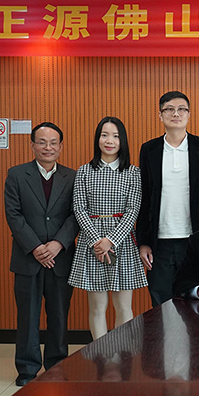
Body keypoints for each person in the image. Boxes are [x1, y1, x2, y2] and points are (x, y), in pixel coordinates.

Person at [4, 122, 79, 386]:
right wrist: (36, 247)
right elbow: (13, 215)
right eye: (42, 142)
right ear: (32, 145)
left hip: (61, 258)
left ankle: (57, 367)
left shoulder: (72, 177)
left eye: (53, 142)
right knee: (27, 316)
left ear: (61, 146)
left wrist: (58, 244)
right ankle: (27, 370)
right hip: (27, 258)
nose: (48, 147)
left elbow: (76, 215)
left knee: (59, 316)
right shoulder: (16, 174)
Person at [136, 91, 199, 307]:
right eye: (169, 109)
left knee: (195, 300)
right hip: (160, 240)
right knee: (161, 302)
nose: (176, 114)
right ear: (160, 115)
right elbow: (145, 196)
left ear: (189, 114)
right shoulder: (149, 149)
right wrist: (143, 241)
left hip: (194, 237)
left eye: (182, 109)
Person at [69, 116, 146, 340]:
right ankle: (101, 353)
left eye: (115, 136)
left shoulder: (133, 172)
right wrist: (97, 240)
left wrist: (110, 240)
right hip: (92, 242)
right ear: (97, 139)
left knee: (123, 306)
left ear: (123, 141)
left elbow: (133, 210)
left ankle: (121, 353)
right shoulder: (84, 171)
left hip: (122, 242)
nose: (109, 141)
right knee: (97, 306)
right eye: (104, 135)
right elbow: (79, 208)